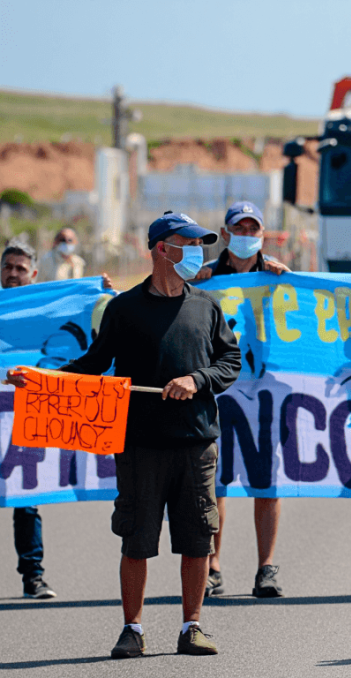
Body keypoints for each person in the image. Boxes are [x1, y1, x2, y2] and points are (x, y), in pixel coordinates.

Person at [9, 211, 242, 658]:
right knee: (136, 539)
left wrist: (197, 380)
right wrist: (39, 379)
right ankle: (132, 629)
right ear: (161, 249)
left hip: (196, 444)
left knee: (197, 539)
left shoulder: (207, 306)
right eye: (187, 242)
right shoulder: (125, 309)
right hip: (140, 444)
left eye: (199, 243)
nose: (197, 251)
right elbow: (91, 366)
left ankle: (192, 626)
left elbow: (229, 363)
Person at [194, 201, 291, 600]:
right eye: (240, 228)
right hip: (218, 391)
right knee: (216, 481)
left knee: (265, 480)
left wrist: (287, 281)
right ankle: (212, 565)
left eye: (254, 228)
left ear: (263, 235)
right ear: (227, 232)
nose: (247, 235)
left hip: (264, 392)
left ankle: (265, 567)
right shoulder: (206, 277)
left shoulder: (276, 276)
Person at [1, 242, 56, 600]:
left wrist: (100, 294)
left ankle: (33, 577)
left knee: (26, 499)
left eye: (21, 268)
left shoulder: (45, 313)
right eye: (8, 267)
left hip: (23, 417)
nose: (13, 273)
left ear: (34, 274)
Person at [36, 227, 114, 288]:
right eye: (63, 240)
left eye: (70, 240)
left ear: (75, 242)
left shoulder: (78, 263)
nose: (66, 243)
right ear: (56, 242)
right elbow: (38, 285)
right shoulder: (46, 260)